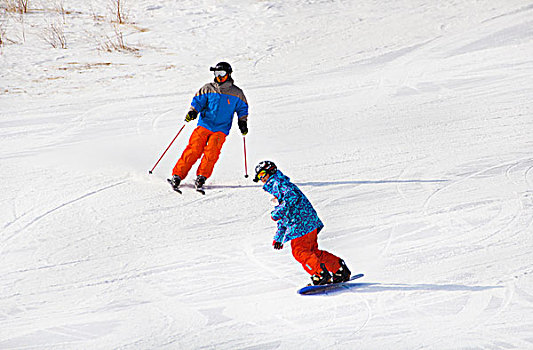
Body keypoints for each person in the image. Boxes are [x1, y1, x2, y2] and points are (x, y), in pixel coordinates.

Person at [253, 161, 351, 285]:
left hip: (300, 224)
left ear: (271, 171)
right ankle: (338, 269)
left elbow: (292, 197)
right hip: (307, 222)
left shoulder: (278, 183)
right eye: (259, 177)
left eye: (262, 174)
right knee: (312, 252)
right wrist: (279, 237)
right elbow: (286, 216)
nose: (262, 179)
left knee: (300, 252)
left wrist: (277, 212)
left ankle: (319, 274)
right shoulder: (278, 185)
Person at [170, 62, 249, 191]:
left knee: (212, 153)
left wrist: (242, 122)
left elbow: (242, 108)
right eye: (216, 74)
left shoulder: (237, 93)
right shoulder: (208, 88)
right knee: (193, 150)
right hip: (204, 125)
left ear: (228, 74)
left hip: (221, 129)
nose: (218, 77)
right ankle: (178, 175)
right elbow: (197, 101)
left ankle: (202, 176)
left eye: (221, 74)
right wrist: (193, 111)